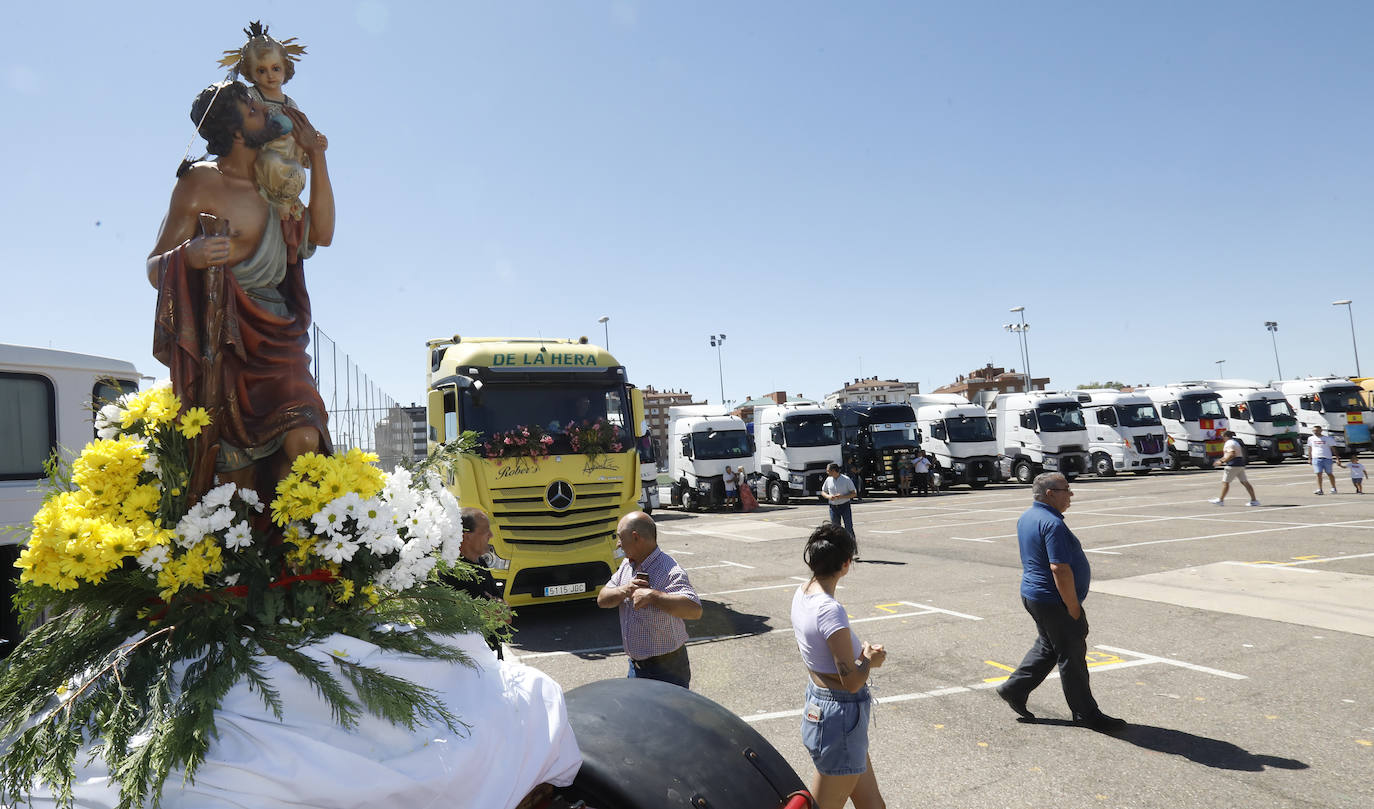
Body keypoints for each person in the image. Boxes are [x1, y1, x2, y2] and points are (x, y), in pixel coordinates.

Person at [148, 80, 334, 498]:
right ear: (235, 131)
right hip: (226, 340)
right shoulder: (199, 183)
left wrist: (317, 155)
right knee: (234, 474)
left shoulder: (277, 179)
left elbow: (321, 234)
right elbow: (154, 267)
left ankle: (299, 541)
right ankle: (250, 553)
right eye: (253, 110)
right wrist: (190, 255)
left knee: (304, 438)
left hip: (278, 333)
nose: (265, 112)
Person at [995, 473, 1126, 733]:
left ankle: (1014, 688)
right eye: (1066, 489)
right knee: (1072, 655)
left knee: (1049, 647)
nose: (1071, 494)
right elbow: (1059, 569)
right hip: (1054, 601)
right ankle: (1086, 713)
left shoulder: (1028, 517)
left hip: (1035, 596)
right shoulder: (1051, 524)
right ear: (1049, 494)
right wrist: (1073, 606)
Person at [792, 523, 887, 809]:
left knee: (873, 806)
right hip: (840, 715)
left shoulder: (803, 592)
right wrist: (870, 660)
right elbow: (852, 681)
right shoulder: (829, 610)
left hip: (824, 707)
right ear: (846, 564)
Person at [218, 21, 320, 220]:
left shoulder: (290, 103)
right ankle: (279, 203)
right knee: (271, 162)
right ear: (251, 73)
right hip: (264, 154)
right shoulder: (250, 97)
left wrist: (313, 141)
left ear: (285, 67)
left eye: (275, 68)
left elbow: (301, 128)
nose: (270, 76)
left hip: (290, 155)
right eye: (261, 71)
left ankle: (288, 201)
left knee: (297, 153)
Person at [597, 511, 702, 688]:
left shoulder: (669, 570)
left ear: (636, 537)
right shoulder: (627, 565)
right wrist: (625, 590)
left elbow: (694, 610)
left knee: (668, 716)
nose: (618, 544)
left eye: (620, 538)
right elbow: (602, 599)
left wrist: (653, 596)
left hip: (667, 670)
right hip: (636, 668)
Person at [444, 508, 509, 658]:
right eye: (485, 531)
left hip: (491, 656)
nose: (491, 536)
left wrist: (496, 606)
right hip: (472, 660)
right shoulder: (452, 572)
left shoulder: (480, 563)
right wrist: (495, 607)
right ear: (467, 536)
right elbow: (487, 614)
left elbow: (505, 614)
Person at [1210, 430, 1259, 506]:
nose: (1222, 438)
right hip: (1239, 464)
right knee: (1245, 482)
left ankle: (1221, 500)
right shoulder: (1234, 442)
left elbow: (1232, 454)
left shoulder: (1229, 443)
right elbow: (1227, 454)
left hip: (1233, 465)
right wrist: (1220, 460)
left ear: (1226, 436)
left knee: (1225, 483)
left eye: (1222, 436)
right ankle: (1254, 500)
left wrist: (1222, 462)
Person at [821, 463, 858, 557]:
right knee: (835, 529)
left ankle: (853, 551)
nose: (827, 472)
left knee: (848, 528)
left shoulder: (846, 479)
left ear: (834, 471)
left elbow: (854, 493)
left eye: (828, 470)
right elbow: (823, 492)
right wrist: (829, 496)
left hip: (845, 506)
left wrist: (843, 497)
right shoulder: (828, 480)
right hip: (833, 507)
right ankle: (838, 551)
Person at [1308, 425, 1337, 495]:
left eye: (1317, 430)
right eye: (1314, 430)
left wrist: (1337, 458)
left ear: (1321, 431)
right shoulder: (1311, 438)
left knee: (1329, 473)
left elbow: (1333, 448)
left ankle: (1333, 488)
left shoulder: (1327, 439)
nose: (1315, 432)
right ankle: (1320, 489)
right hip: (1316, 458)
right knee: (1318, 474)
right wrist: (1309, 458)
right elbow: (1310, 448)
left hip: (1327, 458)